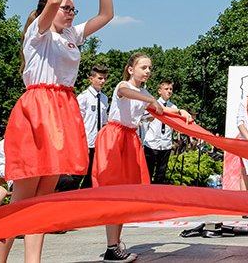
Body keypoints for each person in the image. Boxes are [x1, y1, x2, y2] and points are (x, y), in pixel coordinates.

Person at [0, 0, 114, 263]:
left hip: (61, 110)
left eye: (74, 9)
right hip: (37, 110)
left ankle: (32, 261)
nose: (71, 13)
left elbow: (106, 15)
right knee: (21, 199)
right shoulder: (40, 34)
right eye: (67, 7)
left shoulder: (72, 36)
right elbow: (52, 3)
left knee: (44, 199)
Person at [92, 53, 192, 262]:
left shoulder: (144, 92)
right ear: (131, 69)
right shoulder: (123, 86)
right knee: (114, 193)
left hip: (129, 139)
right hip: (115, 138)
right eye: (143, 67)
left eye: (149, 68)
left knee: (125, 194)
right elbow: (128, 93)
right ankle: (111, 247)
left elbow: (161, 110)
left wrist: (180, 111)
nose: (147, 71)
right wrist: (150, 100)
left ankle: (115, 244)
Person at [77, 65, 110, 189]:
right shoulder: (83, 97)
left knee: (92, 175)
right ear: (91, 79)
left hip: (98, 143)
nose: (103, 81)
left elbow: (104, 121)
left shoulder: (104, 99)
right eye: (100, 78)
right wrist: (82, 142)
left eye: (105, 79)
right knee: (78, 174)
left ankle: (85, 200)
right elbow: (78, 122)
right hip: (85, 142)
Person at [142, 79, 176, 185]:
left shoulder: (173, 108)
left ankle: (157, 196)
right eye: (166, 89)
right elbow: (143, 119)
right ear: (159, 91)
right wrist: (149, 117)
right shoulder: (152, 105)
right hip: (152, 143)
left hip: (165, 144)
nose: (169, 91)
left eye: (171, 89)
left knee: (161, 173)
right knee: (148, 171)